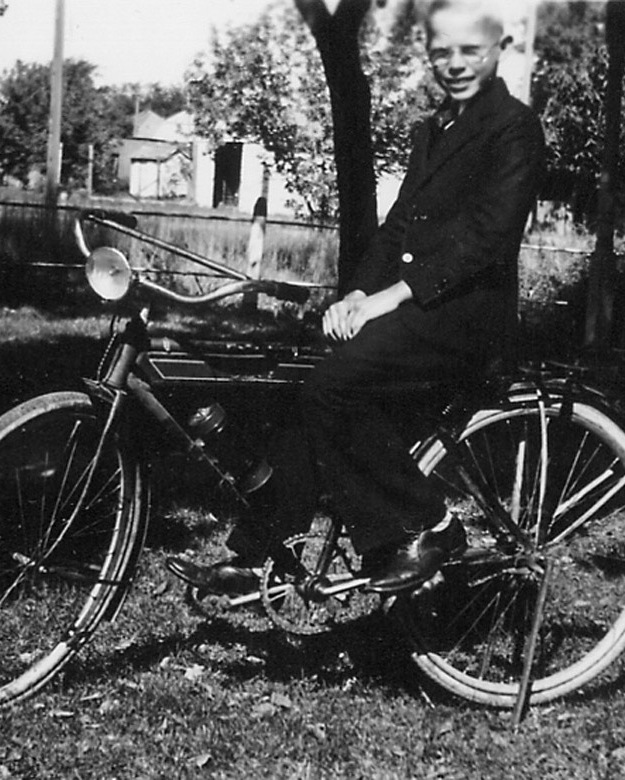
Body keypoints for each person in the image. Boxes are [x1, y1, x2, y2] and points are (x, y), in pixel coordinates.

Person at [167, 0, 545, 595]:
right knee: (312, 386)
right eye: (442, 52)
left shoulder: (514, 128)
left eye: (470, 51)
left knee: (332, 388)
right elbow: (397, 229)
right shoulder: (432, 130)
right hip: (422, 311)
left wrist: (388, 299)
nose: (454, 64)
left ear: (499, 51)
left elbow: (487, 240)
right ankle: (262, 555)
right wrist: (356, 294)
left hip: (466, 319)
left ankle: (430, 525)